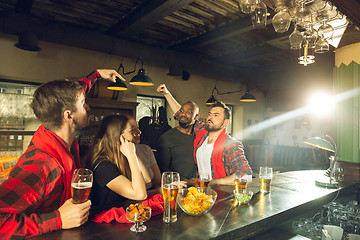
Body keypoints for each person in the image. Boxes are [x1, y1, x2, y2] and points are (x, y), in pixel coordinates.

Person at [0, 69, 123, 239]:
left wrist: (96, 75)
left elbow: (71, 94)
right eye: (83, 103)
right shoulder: (40, 164)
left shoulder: (55, 133)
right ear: (68, 115)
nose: (88, 107)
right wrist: (57, 219)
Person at [157, 84, 252, 186]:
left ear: (225, 122)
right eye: (210, 114)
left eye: (216, 115)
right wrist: (166, 93)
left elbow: (246, 175)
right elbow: (182, 115)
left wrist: (213, 183)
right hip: (201, 191)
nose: (210, 117)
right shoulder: (203, 134)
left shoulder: (231, 144)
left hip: (221, 194)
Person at [88, 115, 155, 212]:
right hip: (104, 222)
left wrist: (133, 153)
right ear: (119, 137)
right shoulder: (102, 165)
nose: (135, 134)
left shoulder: (122, 157)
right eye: (131, 131)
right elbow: (140, 194)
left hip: (122, 216)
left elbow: (146, 179)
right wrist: (131, 155)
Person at [157, 101, 199, 182]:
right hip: (177, 188)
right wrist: (186, 181)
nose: (183, 114)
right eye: (182, 111)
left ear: (196, 116)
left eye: (189, 112)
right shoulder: (167, 138)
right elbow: (163, 170)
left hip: (198, 188)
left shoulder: (199, 138)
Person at [127, 117, 161, 195]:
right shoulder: (113, 158)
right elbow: (135, 196)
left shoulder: (146, 149)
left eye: (138, 128)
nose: (139, 132)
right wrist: (159, 191)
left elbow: (157, 182)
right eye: (132, 130)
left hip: (151, 196)